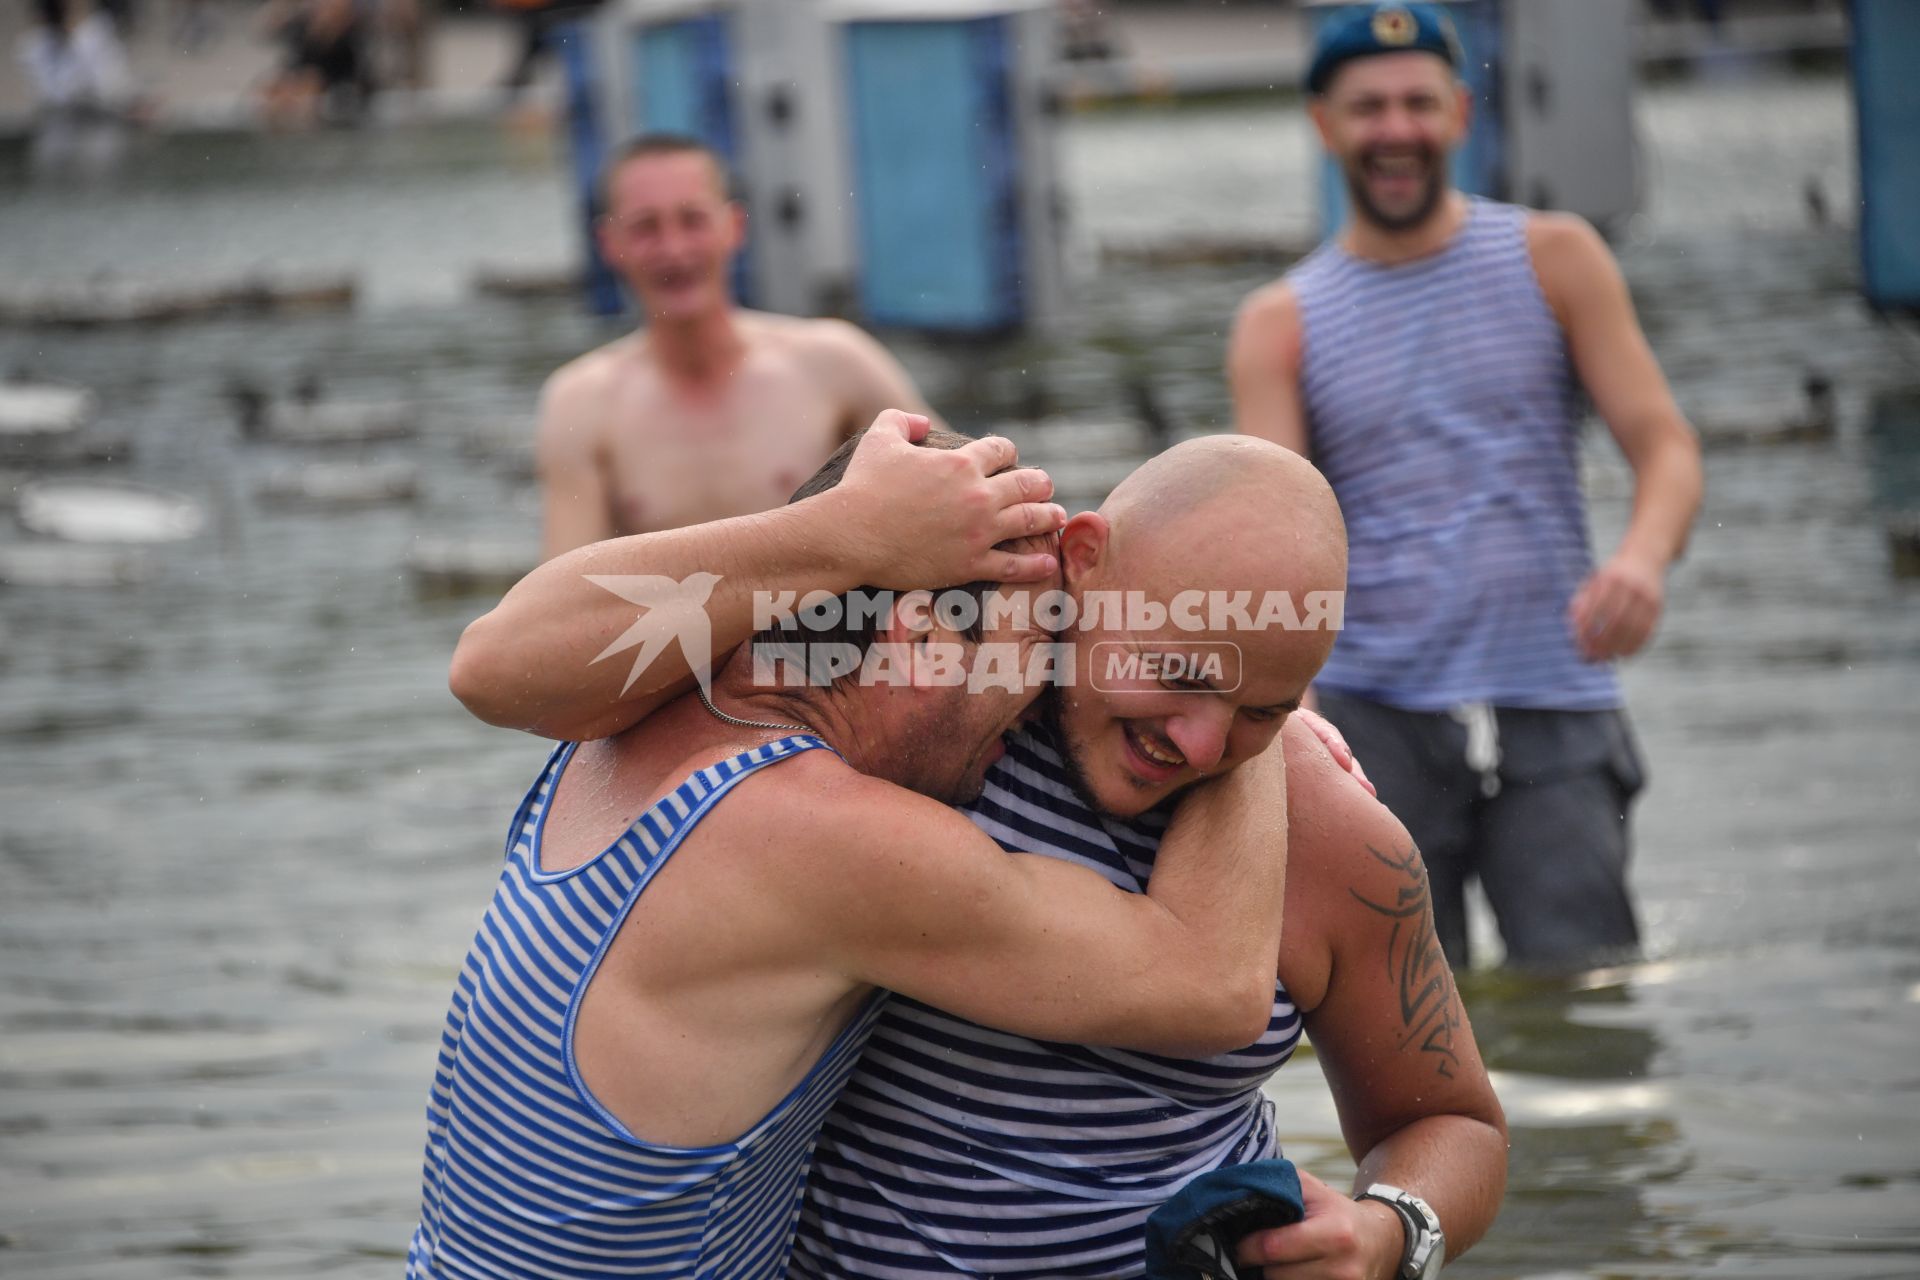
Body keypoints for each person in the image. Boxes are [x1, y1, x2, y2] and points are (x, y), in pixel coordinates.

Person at [450, 425, 1509, 1279]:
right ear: (919, 628)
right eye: (1176, 671)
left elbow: (1457, 1119)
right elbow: (1205, 981)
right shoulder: (825, 807)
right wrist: (1253, 719)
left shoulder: (674, 694)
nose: (1197, 741)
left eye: (1262, 708)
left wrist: (1387, 1234)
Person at [1231, 2, 1704, 972]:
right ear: (1323, 124)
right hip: (1374, 714)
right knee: (1405, 1006)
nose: (1395, 129)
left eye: (1418, 102)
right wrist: (1299, 711)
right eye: (1368, 108)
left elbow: (1664, 447)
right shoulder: (1280, 322)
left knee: (1585, 994)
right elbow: (1274, 548)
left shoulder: (1556, 257)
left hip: (1555, 686)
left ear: (1461, 115)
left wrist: (1642, 563)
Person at [535, 134, 936, 560]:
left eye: (693, 220)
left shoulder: (835, 363)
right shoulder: (581, 403)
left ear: (735, 226)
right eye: (645, 228)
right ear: (609, 245)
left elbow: (962, 491)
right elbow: (566, 588)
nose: (674, 249)